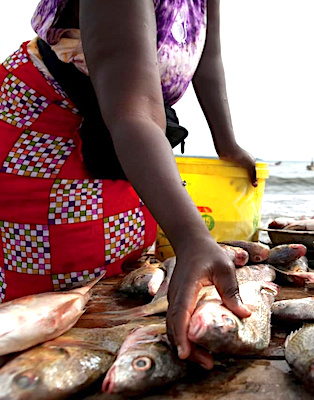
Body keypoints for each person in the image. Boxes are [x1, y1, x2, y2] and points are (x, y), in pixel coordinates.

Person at [0, 0, 257, 369]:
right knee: (57, 296)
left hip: (132, 131)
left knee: (125, 266)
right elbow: (133, 109)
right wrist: (193, 239)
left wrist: (227, 143)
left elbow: (206, 58)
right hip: (50, 125)